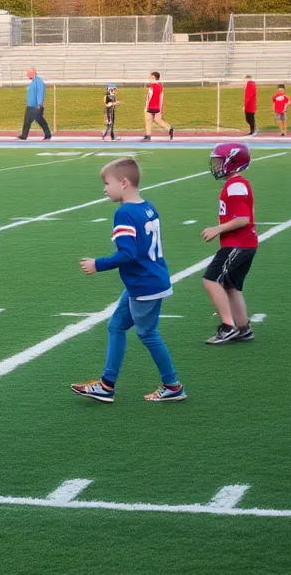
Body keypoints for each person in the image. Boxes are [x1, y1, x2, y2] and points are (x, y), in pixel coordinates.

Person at [71, 158, 184, 403]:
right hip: (148, 281)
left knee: (148, 334)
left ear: (123, 183)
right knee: (116, 326)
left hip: (144, 285)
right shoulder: (147, 206)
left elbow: (128, 254)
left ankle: (172, 385)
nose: (104, 189)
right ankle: (106, 385)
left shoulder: (124, 213)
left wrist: (97, 264)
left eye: (107, 183)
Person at [201, 143, 258, 345]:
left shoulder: (235, 185)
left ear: (232, 162)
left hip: (238, 244)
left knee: (210, 280)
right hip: (243, 243)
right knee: (231, 285)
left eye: (219, 161)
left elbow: (243, 218)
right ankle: (243, 328)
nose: (216, 166)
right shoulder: (235, 184)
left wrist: (217, 229)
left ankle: (228, 326)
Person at [17, 67, 52, 140]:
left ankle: (48, 134)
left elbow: (40, 92)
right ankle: (24, 135)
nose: (27, 75)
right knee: (27, 121)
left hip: (36, 106)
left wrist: (39, 103)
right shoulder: (33, 82)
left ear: (33, 73)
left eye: (29, 74)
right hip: (30, 106)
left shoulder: (38, 81)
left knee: (40, 121)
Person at [142, 71, 174, 141]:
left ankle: (148, 136)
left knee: (148, 120)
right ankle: (169, 128)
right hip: (157, 106)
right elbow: (161, 97)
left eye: (150, 76)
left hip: (150, 106)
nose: (149, 78)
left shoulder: (152, 86)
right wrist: (160, 108)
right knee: (157, 119)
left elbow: (149, 97)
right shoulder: (160, 85)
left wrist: (147, 106)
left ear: (153, 77)